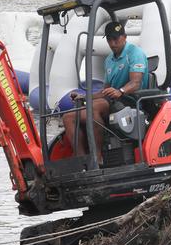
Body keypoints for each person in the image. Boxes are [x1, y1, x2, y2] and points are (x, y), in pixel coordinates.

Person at [62, 21, 148, 163]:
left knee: (93, 109)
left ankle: (97, 157)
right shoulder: (109, 60)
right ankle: (81, 159)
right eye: (109, 39)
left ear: (124, 37)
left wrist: (120, 91)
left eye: (116, 39)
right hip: (112, 100)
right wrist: (84, 97)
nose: (113, 43)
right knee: (67, 117)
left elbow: (135, 83)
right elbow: (105, 91)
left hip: (131, 100)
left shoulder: (135, 53)